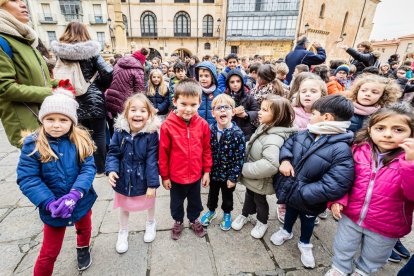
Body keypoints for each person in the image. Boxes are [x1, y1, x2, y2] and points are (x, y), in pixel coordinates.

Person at [325, 103, 414, 276]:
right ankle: (340, 268)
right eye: (380, 128)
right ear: (370, 129)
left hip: (387, 224)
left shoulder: (410, 159)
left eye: (398, 130)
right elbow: (343, 178)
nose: (387, 134)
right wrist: (338, 199)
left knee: (375, 255)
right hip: (351, 215)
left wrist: (410, 164)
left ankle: (363, 271)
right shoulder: (358, 150)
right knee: (343, 246)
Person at [16, 89, 97, 275]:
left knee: (84, 227)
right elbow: (28, 178)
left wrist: (77, 193)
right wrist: (48, 203)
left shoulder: (81, 140)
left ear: (72, 121)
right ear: (42, 119)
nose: (56, 125)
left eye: (63, 120)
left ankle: (83, 247)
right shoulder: (33, 144)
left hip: (81, 199)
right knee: (49, 252)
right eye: (50, 119)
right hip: (53, 208)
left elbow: (88, 168)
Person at [272, 95, 355, 269]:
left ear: (327, 117)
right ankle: (286, 231)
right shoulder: (305, 133)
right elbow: (288, 144)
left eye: (314, 113)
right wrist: (285, 160)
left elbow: (337, 182)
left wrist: (305, 192)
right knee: (289, 213)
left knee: (308, 220)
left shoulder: (341, 148)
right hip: (292, 190)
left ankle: (304, 243)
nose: (310, 116)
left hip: (310, 198)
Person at [51, 22, 113, 177]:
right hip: (94, 97)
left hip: (71, 98)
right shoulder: (91, 52)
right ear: (85, 33)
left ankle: (86, 167)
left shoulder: (61, 53)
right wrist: (100, 85)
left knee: (81, 134)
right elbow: (107, 71)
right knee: (99, 134)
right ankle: (100, 168)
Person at [231, 95, 296, 239]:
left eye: (265, 110)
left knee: (260, 200)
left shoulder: (274, 138)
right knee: (249, 195)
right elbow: (255, 142)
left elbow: (270, 165)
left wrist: (244, 169)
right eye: (261, 108)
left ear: (278, 116)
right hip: (253, 176)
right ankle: (245, 214)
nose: (260, 112)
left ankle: (262, 222)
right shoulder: (265, 126)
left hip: (260, 179)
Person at [0, 0, 60, 148]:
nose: (23, 4)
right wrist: (52, 92)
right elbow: (5, 87)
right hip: (27, 124)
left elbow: (36, 79)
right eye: (14, 0)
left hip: (43, 118)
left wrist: (60, 84)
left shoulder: (24, 39)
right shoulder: (4, 40)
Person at [106, 94, 160, 253]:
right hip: (124, 176)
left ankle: (151, 223)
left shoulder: (151, 135)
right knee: (124, 205)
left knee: (149, 202)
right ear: (126, 113)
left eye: (143, 110)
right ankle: (123, 230)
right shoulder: (119, 132)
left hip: (143, 175)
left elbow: (152, 160)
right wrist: (112, 170)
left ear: (149, 114)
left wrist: (152, 184)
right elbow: (113, 153)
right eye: (133, 110)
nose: (137, 114)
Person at [159, 80, 212, 240]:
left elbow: (206, 149)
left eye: (193, 104)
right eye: (183, 104)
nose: (188, 109)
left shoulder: (202, 124)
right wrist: (165, 176)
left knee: (195, 201)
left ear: (199, 103)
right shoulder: (167, 126)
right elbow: (163, 153)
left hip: (195, 175)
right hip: (176, 177)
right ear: (175, 101)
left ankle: (194, 219)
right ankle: (178, 220)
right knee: (176, 203)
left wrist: (207, 171)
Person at [200, 94, 246, 231]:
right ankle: (211, 211)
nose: (222, 110)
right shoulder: (210, 130)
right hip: (213, 173)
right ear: (213, 113)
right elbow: (205, 151)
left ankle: (227, 214)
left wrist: (234, 177)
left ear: (233, 111)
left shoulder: (237, 133)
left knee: (227, 196)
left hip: (228, 175)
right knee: (212, 195)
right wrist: (205, 172)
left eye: (226, 107)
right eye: (218, 108)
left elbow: (240, 158)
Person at [105, 48, 146, 136]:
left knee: (115, 126)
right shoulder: (138, 68)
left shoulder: (118, 64)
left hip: (111, 98)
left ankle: (115, 144)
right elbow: (139, 91)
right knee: (126, 128)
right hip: (125, 102)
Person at [225, 69, 259, 140]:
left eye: (238, 81)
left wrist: (246, 115)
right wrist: (230, 112)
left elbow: (257, 111)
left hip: (245, 133)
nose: (235, 84)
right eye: (232, 82)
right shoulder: (224, 97)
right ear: (228, 83)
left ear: (242, 82)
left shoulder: (249, 97)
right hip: (228, 130)